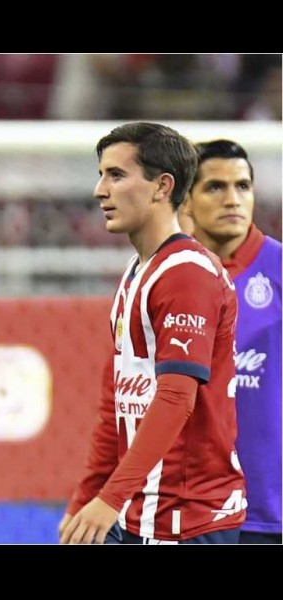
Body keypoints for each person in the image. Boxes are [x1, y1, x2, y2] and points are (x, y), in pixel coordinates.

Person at [59, 122, 246, 544]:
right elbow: (117, 400)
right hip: (141, 511)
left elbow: (176, 398)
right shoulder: (137, 271)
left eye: (116, 175)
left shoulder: (187, 273)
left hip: (187, 518)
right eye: (101, 175)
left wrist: (108, 498)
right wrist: (88, 495)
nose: (100, 190)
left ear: (163, 186)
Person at [180, 139, 281, 544]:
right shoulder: (170, 277)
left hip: (270, 511)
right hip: (190, 509)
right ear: (186, 201)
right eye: (215, 187)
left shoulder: (277, 271)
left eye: (242, 186)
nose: (232, 199)